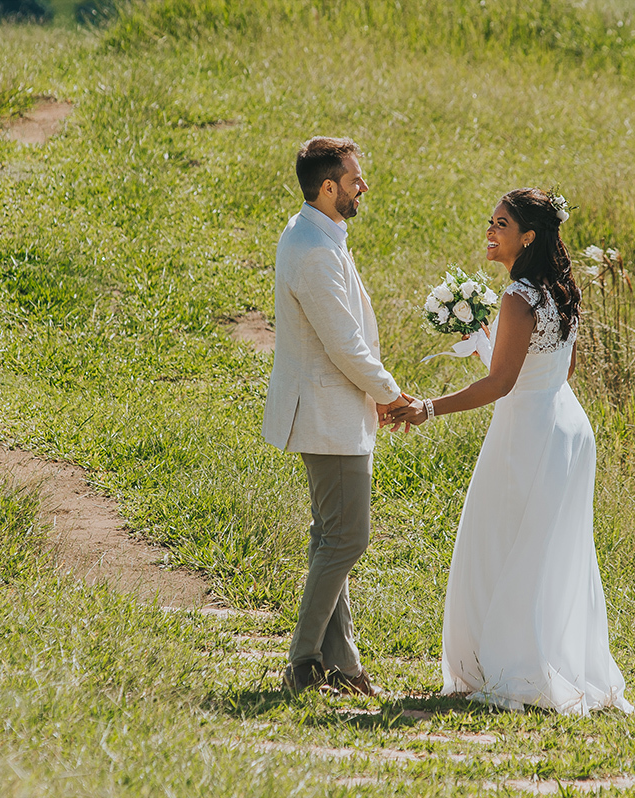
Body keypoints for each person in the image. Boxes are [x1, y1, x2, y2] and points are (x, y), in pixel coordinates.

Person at [389, 187, 633, 715]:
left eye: (501, 224)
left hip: (527, 434)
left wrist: (428, 407)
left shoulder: (519, 297)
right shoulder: (558, 291)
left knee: (501, 544)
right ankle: (552, 659)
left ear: (527, 237)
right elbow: (561, 369)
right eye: (491, 221)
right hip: (567, 426)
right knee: (551, 551)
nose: (490, 231)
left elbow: (501, 384)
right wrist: (494, 348)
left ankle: (511, 666)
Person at [262, 136, 407, 697]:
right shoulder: (314, 251)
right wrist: (391, 395)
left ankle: (341, 663)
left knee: (331, 536)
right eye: (353, 179)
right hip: (328, 413)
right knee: (347, 539)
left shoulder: (314, 233)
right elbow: (344, 344)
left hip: (331, 410)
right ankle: (301, 663)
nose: (362, 186)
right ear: (328, 187)